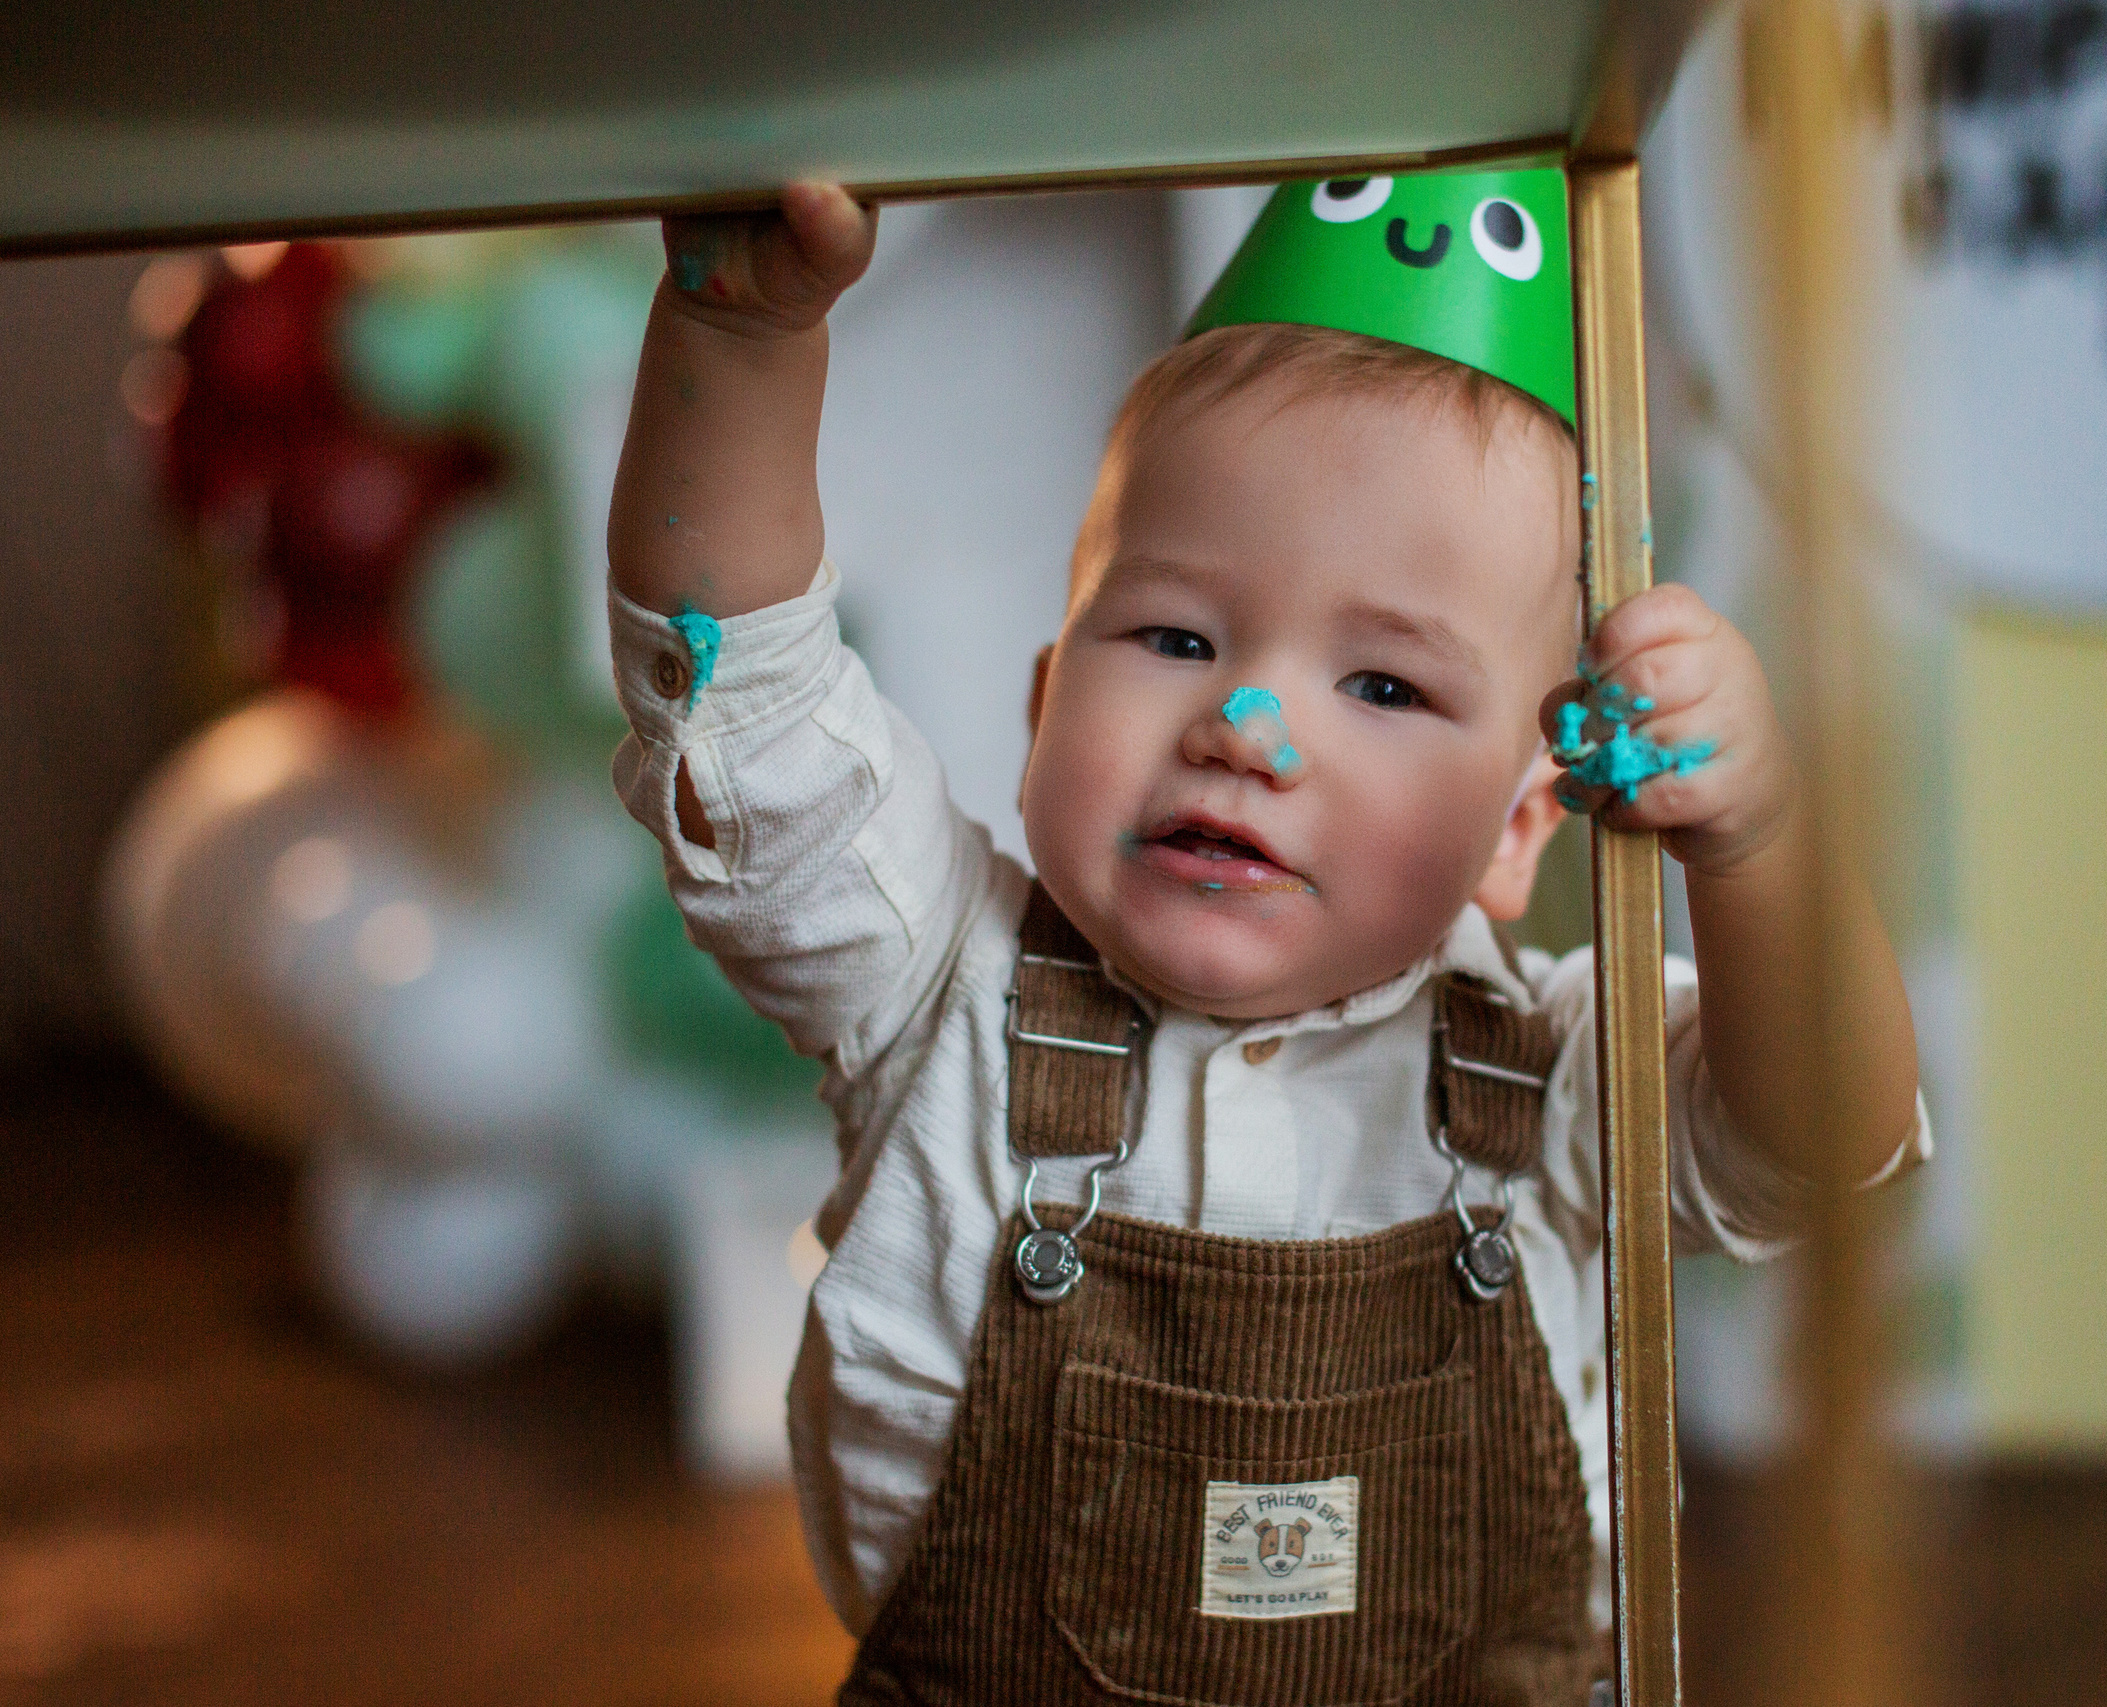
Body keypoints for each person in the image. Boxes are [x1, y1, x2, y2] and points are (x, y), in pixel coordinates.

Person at [606, 170, 1924, 1705]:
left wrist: (1757, 845)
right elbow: (742, 709)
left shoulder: (1561, 1077)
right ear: (1044, 709)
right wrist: (744, 343)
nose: (1246, 725)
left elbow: (1823, 1136)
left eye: (1384, 686)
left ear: (1515, 831)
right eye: (1175, 636)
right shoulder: (931, 986)